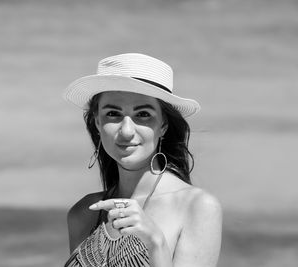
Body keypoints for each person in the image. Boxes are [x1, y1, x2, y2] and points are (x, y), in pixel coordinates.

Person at [63, 53, 222, 267]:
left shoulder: (197, 207)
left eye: (143, 114)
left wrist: (155, 242)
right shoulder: (84, 213)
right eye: (113, 113)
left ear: (163, 124)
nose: (127, 131)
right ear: (98, 122)